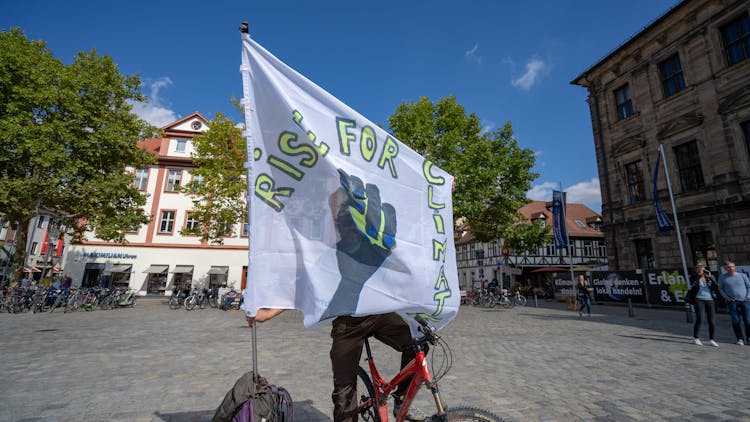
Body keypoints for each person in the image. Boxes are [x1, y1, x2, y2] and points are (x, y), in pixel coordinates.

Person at [246, 310, 419, 422]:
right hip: (347, 324)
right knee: (345, 392)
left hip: (378, 313)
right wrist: (267, 314)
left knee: (419, 343)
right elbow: (304, 277)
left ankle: (401, 400)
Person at [686, 265, 720, 347]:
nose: (702, 271)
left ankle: (712, 339)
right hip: (698, 300)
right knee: (700, 319)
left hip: (710, 299)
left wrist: (711, 277)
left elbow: (717, 286)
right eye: (700, 270)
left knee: (712, 321)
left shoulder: (710, 277)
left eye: (703, 270)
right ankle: (696, 338)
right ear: (697, 270)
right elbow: (693, 284)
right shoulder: (693, 277)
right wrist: (699, 276)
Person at [718, 261, 750, 345]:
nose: (731, 268)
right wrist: (726, 297)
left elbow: (748, 286)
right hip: (732, 302)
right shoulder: (723, 277)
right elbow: (720, 288)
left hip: (745, 301)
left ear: (734, 267)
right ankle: (740, 339)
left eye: (732, 266)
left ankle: (749, 338)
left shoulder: (742, 275)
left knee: (748, 320)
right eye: (728, 267)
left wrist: (748, 296)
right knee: (736, 320)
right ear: (725, 268)